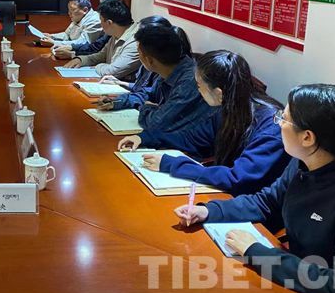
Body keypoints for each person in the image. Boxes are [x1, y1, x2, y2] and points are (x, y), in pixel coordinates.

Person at [175, 85, 335, 293]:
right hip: (302, 284)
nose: (278, 124)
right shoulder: (305, 161)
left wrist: (257, 253)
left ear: (307, 137)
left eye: (283, 119)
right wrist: (208, 211)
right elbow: (267, 202)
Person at [118, 50, 290, 195]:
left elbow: (237, 177)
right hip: (228, 193)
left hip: (251, 204)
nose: (197, 90)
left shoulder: (272, 125)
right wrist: (146, 138)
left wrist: (172, 164)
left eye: (199, 85)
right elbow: (193, 140)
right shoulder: (230, 107)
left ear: (219, 93)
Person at [97, 24, 213, 133]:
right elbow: (146, 94)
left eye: (139, 53)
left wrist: (147, 107)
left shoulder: (190, 80)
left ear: (149, 60)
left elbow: (156, 123)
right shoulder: (168, 68)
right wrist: (117, 102)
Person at [63, 0, 140, 81]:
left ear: (109, 23)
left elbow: (112, 71)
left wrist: (97, 66)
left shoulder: (135, 41)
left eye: (101, 20)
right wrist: (81, 60)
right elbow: (101, 56)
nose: (100, 24)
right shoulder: (116, 34)